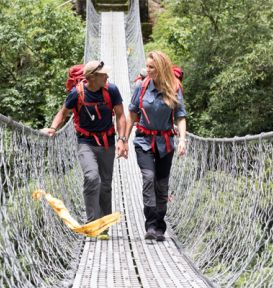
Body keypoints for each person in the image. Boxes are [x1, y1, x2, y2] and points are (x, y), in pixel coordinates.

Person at [41, 60, 127, 240]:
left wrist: (122, 139)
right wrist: (53, 128)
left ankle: (103, 226)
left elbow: (120, 115)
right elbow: (63, 112)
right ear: (92, 77)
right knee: (91, 177)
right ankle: (92, 224)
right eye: (103, 74)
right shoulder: (77, 94)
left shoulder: (111, 90)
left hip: (107, 143)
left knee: (105, 185)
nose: (107, 76)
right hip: (85, 142)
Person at [122, 51, 187, 242]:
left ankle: (160, 226)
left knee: (161, 184)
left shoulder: (174, 87)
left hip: (165, 142)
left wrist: (182, 139)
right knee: (149, 178)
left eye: (152, 67)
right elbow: (132, 115)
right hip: (143, 140)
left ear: (161, 68)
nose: (148, 71)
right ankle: (150, 225)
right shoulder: (140, 87)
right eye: (147, 67)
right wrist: (124, 140)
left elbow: (180, 116)